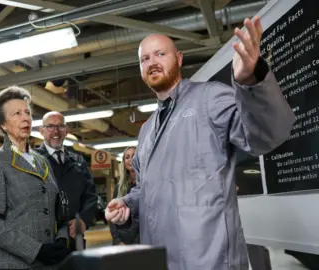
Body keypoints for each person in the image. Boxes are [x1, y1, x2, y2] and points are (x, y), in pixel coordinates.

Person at [105, 16, 295, 269]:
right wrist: (128, 204)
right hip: (160, 257)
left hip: (209, 258)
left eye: (160, 54)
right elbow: (148, 188)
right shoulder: (147, 130)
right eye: (145, 59)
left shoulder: (210, 98)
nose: (152, 62)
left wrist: (252, 80)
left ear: (179, 58)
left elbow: (265, 134)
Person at [0, 86, 69, 270]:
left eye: (27, 112)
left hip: (49, 264)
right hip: (13, 264)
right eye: (17, 114)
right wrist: (36, 250)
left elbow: (57, 210)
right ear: (3, 125)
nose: (25, 117)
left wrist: (62, 237)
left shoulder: (42, 161)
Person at [36, 111, 97, 250]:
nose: (56, 131)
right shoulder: (33, 161)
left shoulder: (78, 162)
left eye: (61, 126)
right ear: (41, 131)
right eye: (50, 126)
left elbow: (91, 196)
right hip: (44, 239)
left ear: (67, 130)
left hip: (75, 237)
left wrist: (83, 220)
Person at [109, 147, 140, 246]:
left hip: (142, 240)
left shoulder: (146, 186)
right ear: (124, 162)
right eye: (127, 157)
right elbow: (112, 217)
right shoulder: (119, 188)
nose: (131, 159)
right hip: (122, 242)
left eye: (134, 156)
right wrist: (117, 240)